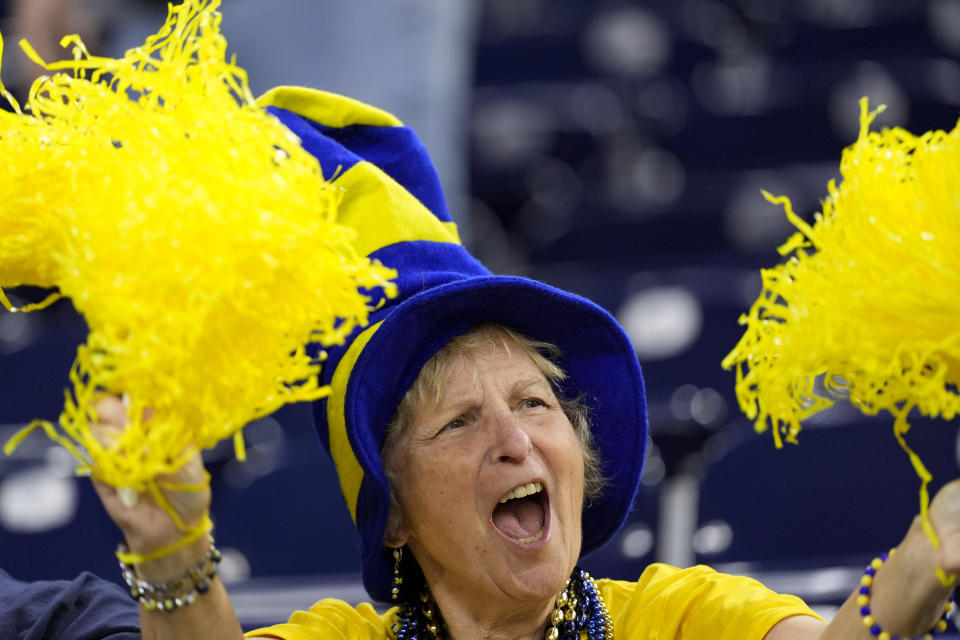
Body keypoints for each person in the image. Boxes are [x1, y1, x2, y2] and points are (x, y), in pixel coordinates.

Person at [86, 87, 960, 640]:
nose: (515, 441)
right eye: (459, 422)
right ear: (394, 516)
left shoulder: (675, 617)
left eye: (537, 405)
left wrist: (927, 559)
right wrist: (171, 553)